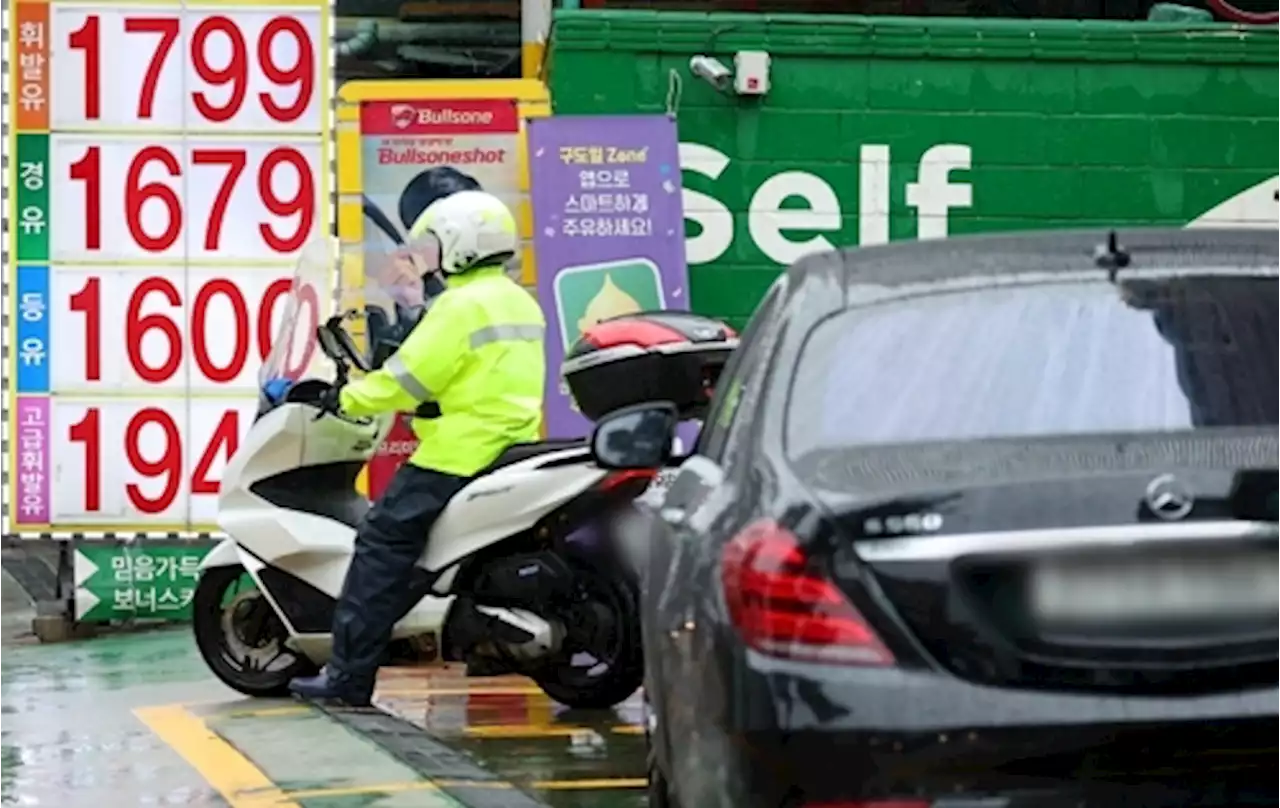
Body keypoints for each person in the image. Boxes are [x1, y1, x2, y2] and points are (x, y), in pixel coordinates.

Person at [288, 190, 547, 706]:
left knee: (381, 546)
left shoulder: (460, 306)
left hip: (459, 452)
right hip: (512, 443)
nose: (428, 256)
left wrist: (346, 397)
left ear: (460, 244)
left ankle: (347, 679)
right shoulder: (519, 300)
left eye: (434, 243)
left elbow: (407, 379)